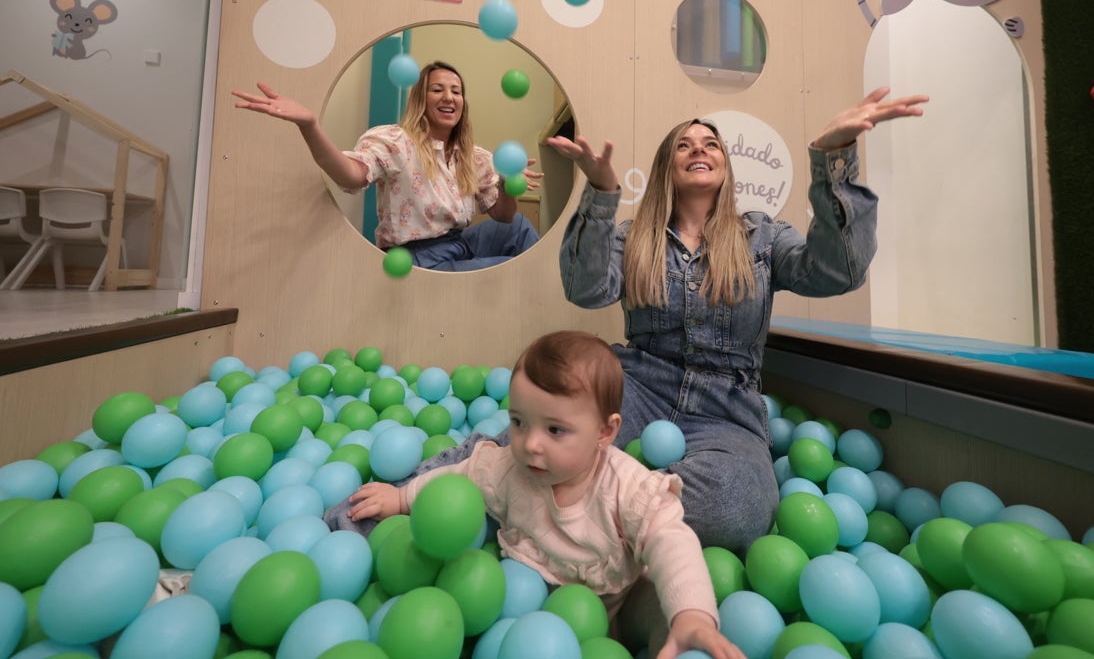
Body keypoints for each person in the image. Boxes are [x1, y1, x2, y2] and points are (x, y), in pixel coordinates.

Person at [542, 86, 928, 553]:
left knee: (736, 508)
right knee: (538, 439)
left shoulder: (762, 236)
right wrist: (601, 194)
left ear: (725, 165)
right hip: (636, 389)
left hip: (726, 409)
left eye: (710, 144)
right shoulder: (634, 237)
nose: (699, 149)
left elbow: (838, 272)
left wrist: (834, 161)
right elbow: (586, 291)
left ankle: (578, 509)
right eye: (684, 144)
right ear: (667, 165)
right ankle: (505, 483)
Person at [342, 330, 747, 659]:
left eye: (554, 430)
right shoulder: (507, 468)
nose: (530, 444)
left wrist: (691, 613)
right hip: (525, 614)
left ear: (605, 432)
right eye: (518, 422)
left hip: (620, 604)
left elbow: (670, 539)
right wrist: (401, 498)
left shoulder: (626, 485)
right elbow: (458, 479)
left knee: (664, 614)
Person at [233, 60, 541, 271]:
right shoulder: (395, 141)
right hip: (417, 258)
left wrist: (505, 185)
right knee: (509, 272)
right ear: (421, 97)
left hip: (459, 243)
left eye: (456, 91)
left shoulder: (474, 156)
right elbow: (351, 175)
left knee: (519, 227)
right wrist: (310, 126)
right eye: (438, 89)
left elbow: (504, 215)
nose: (449, 97)